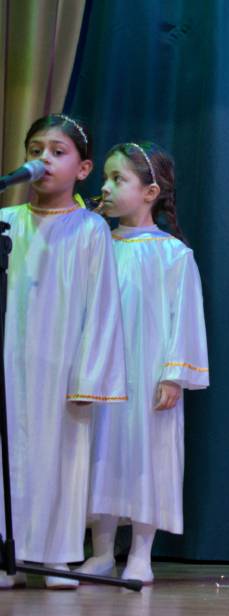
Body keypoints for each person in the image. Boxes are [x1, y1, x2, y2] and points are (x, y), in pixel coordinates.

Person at [0, 114, 127, 590]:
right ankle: (7, 555)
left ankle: (55, 555)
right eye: (35, 151)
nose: (44, 160)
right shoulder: (7, 222)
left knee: (60, 455)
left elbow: (103, 308)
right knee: (7, 456)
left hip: (63, 368)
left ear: (83, 168)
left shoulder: (90, 230)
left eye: (57, 152)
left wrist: (90, 376)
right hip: (10, 363)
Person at [78, 142, 209, 584]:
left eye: (119, 179)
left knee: (147, 458)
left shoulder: (172, 254)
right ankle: (101, 552)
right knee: (100, 456)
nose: (106, 187)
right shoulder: (95, 245)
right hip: (101, 374)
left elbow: (184, 317)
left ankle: (140, 553)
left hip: (148, 373)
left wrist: (175, 375)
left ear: (150, 192)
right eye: (105, 177)